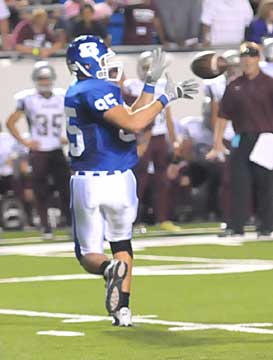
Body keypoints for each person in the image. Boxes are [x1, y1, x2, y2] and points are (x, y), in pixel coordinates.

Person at [65, 35, 198, 326]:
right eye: (101, 59)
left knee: (89, 254)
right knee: (122, 244)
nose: (107, 64)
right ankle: (122, 310)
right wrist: (166, 96)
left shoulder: (83, 90)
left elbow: (133, 117)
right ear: (89, 63)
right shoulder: (96, 89)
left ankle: (111, 272)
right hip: (122, 181)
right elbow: (135, 122)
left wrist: (153, 84)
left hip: (90, 181)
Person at [210, 42, 273, 238]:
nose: (247, 59)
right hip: (241, 137)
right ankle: (236, 226)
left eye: (252, 55)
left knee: (266, 184)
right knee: (238, 183)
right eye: (244, 56)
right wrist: (217, 142)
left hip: (266, 137)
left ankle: (266, 226)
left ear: (258, 58)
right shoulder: (234, 85)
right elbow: (222, 115)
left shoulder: (269, 83)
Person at [7, 61, 71, 239]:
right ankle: (45, 226)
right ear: (36, 79)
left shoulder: (61, 96)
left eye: (47, 77)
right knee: (40, 190)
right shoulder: (27, 99)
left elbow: (76, 116)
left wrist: (69, 137)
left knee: (66, 189)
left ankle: (71, 224)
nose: (44, 81)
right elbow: (10, 122)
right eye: (41, 78)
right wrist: (25, 142)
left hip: (57, 149)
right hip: (39, 150)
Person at [123, 51, 181, 231]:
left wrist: (174, 140)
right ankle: (131, 221)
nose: (149, 72)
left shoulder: (163, 84)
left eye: (151, 68)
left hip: (159, 137)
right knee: (138, 180)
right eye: (146, 68)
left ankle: (162, 218)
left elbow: (168, 116)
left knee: (162, 180)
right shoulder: (132, 86)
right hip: (141, 137)